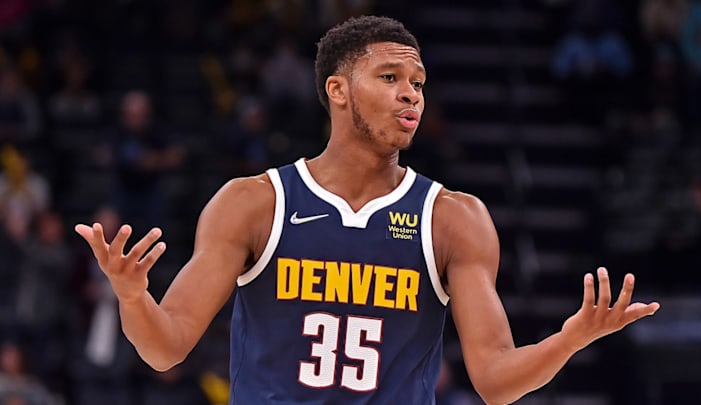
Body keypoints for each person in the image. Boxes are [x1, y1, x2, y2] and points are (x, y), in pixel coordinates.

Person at [74, 15, 660, 405]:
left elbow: (495, 379)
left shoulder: (453, 218)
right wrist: (132, 297)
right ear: (338, 90)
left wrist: (570, 339)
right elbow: (166, 346)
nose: (412, 94)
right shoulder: (254, 202)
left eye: (419, 82)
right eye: (390, 77)